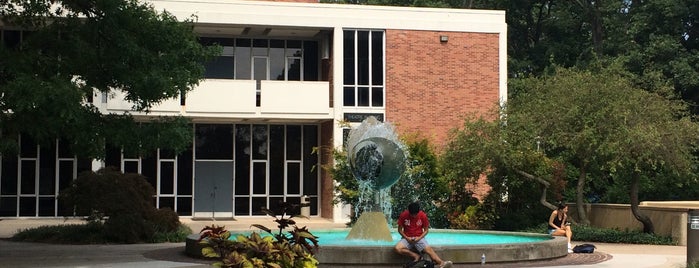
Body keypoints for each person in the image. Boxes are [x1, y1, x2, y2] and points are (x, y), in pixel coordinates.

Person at [395, 202, 453, 268]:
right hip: (407, 238)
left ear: (418, 212)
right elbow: (399, 230)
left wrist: (419, 238)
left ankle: (442, 263)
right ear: (409, 211)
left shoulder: (423, 215)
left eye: (415, 214)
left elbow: (426, 230)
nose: (414, 216)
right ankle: (416, 256)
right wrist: (407, 238)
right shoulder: (403, 215)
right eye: (412, 214)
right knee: (397, 248)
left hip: (419, 237)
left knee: (429, 250)